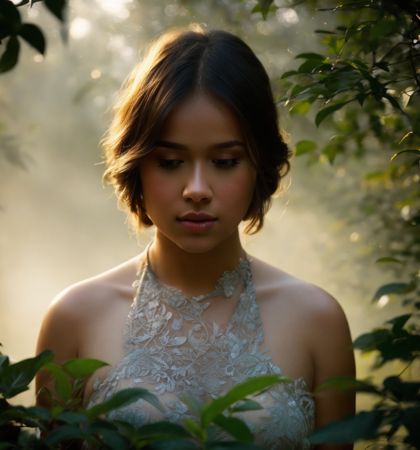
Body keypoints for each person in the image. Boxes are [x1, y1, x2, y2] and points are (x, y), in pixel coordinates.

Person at [36, 24, 356, 450]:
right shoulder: (74, 318)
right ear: (136, 166)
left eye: (225, 161)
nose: (197, 189)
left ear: (259, 165)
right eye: (170, 161)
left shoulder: (318, 320)